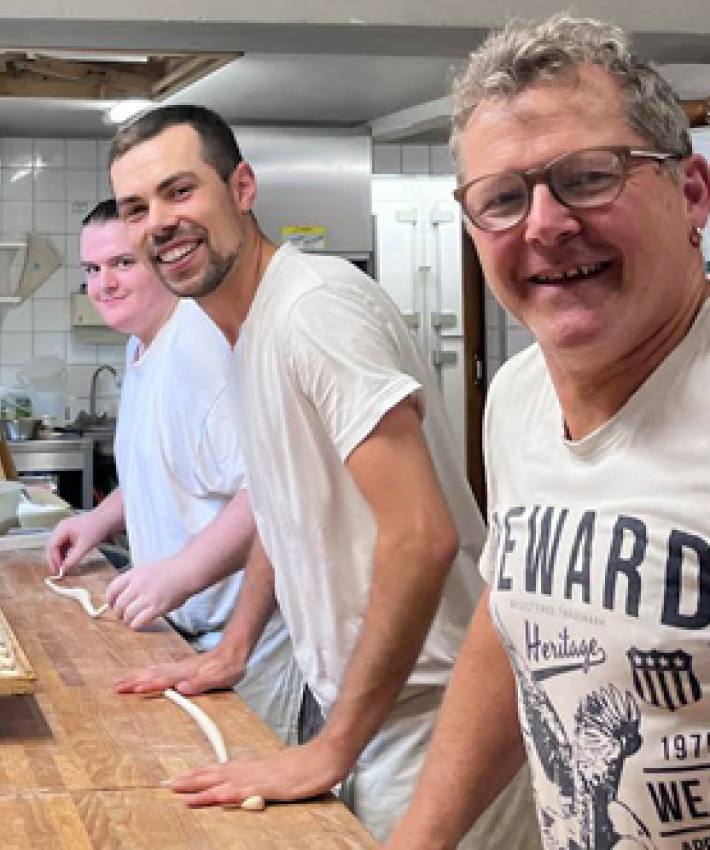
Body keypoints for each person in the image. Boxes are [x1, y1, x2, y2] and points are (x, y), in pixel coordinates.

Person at [105, 104, 536, 845]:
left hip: (433, 721)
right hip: (368, 714)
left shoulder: (313, 306)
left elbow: (421, 536)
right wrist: (235, 648)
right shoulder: (247, 332)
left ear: (241, 187)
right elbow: (283, 504)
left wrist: (334, 745)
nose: (158, 224)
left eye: (181, 192)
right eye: (135, 209)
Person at [389, 16, 710, 850]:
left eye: (589, 176)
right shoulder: (520, 397)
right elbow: (516, 624)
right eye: (502, 198)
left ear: (692, 195)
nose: (544, 225)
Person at [46, 199, 302, 745]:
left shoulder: (197, 347)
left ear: (162, 261)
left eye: (122, 263)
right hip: (185, 632)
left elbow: (270, 490)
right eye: (91, 270)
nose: (103, 284)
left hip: (240, 641)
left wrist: (181, 571)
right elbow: (168, 465)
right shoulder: (146, 343)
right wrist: (100, 519)